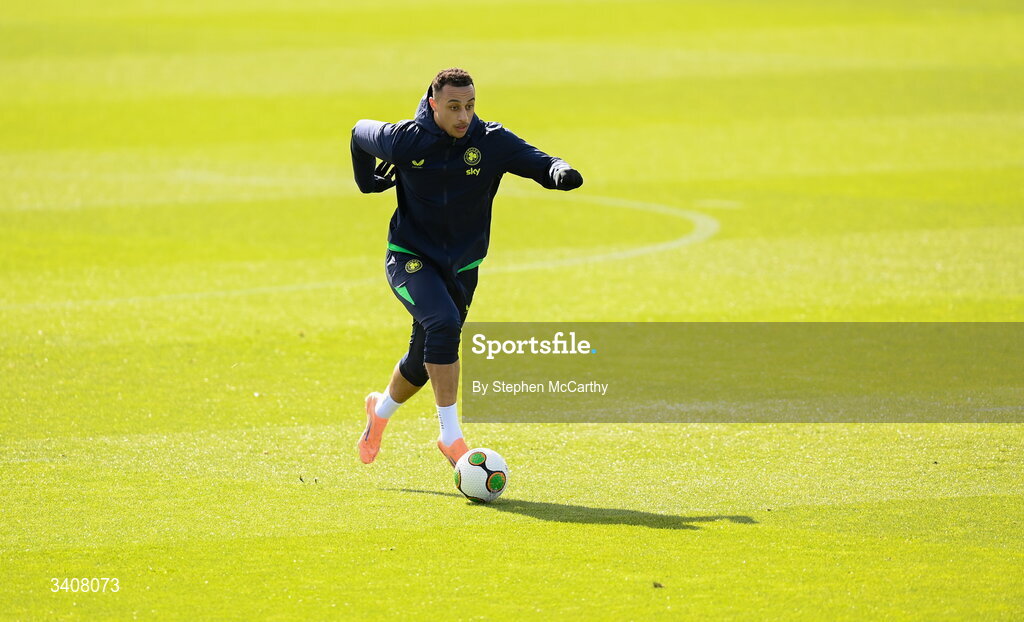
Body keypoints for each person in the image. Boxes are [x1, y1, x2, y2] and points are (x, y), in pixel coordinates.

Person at [350, 67, 584, 467]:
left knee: (422, 360)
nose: (463, 116)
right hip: (409, 257)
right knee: (442, 325)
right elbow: (359, 132)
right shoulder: (407, 139)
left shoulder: (489, 140)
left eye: (470, 106)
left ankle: (380, 411)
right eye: (454, 107)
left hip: (462, 266)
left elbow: (535, 159)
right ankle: (451, 437)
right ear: (433, 105)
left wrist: (557, 172)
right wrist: (367, 182)